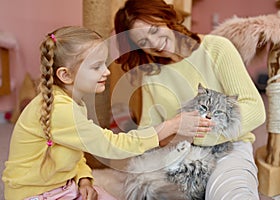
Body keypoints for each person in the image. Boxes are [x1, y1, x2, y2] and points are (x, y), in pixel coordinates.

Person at [1, 26, 205, 200]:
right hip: (34, 195)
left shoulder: (72, 103)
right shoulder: (60, 110)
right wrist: (167, 126)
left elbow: (75, 148)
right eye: (96, 66)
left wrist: (83, 177)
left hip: (61, 186)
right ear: (65, 75)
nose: (106, 71)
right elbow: (110, 145)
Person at [113, 0, 266, 199]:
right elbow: (148, 132)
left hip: (229, 146)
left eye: (154, 29)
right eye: (143, 42)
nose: (155, 44)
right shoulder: (151, 75)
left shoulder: (216, 48)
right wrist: (170, 132)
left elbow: (255, 109)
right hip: (178, 154)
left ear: (166, 18)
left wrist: (195, 136)